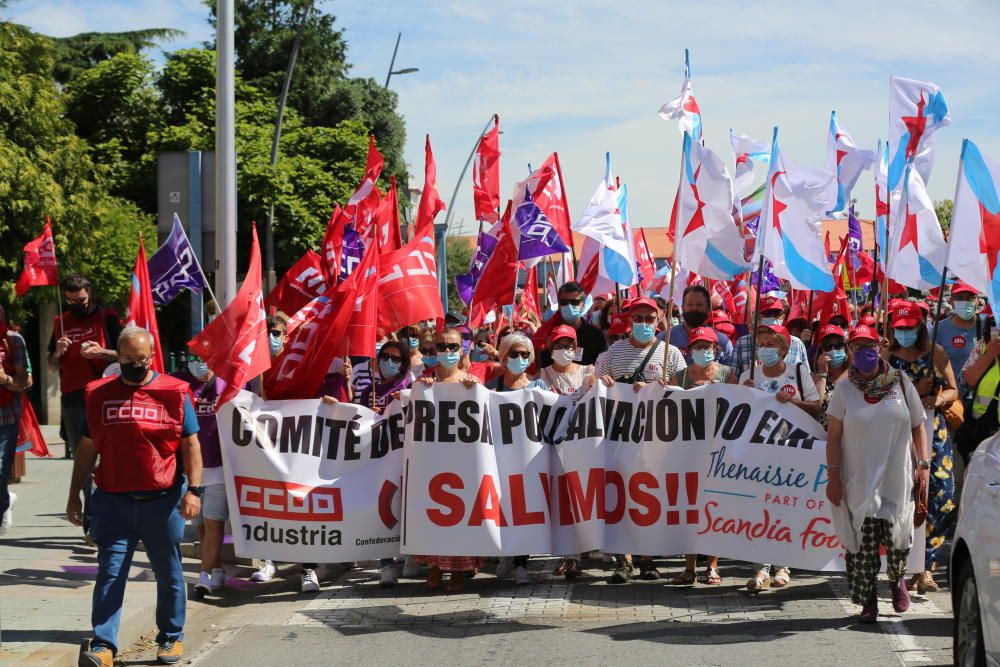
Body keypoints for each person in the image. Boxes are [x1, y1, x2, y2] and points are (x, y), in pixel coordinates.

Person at [68, 327, 203, 666]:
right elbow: (86, 448)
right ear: (118, 356)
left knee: (168, 572)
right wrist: (74, 495)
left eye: (140, 359)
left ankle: (171, 637)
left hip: (163, 501)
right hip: (113, 502)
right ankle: (103, 644)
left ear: (151, 356)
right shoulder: (98, 394)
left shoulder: (174, 392)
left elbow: (191, 445)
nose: (134, 365)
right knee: (110, 573)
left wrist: (195, 491)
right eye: (127, 359)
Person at [826, 324, 929, 623]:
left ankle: (897, 581)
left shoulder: (900, 382)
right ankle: (869, 599)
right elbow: (833, 435)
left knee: (899, 539)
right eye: (856, 348)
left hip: (897, 477)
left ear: (879, 347)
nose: (864, 353)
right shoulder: (843, 389)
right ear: (850, 352)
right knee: (863, 546)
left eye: (868, 347)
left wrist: (923, 464)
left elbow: (917, 424)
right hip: (860, 479)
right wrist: (833, 475)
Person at [596, 297, 686, 583]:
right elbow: (593, 384)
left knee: (651, 498)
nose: (644, 324)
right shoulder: (613, 353)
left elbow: (684, 391)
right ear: (629, 320)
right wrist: (602, 383)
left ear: (659, 320)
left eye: (649, 318)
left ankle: (648, 560)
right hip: (620, 437)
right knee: (621, 497)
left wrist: (659, 388)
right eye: (639, 318)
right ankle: (624, 562)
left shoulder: (671, 354)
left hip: (656, 438)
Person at [739, 323, 820, 591]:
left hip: (792, 451)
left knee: (785, 507)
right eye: (760, 343)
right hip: (758, 453)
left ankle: (784, 565)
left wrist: (795, 404)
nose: (764, 349)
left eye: (770, 344)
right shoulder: (747, 375)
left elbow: (817, 407)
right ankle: (761, 566)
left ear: (784, 350)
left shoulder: (799, 372)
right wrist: (745, 394)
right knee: (758, 507)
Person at [885, 301, 959, 594]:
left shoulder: (935, 354)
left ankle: (927, 568)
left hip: (933, 433)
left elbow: (954, 389)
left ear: (920, 328)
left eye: (909, 328)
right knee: (902, 496)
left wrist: (938, 399)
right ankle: (903, 565)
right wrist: (917, 392)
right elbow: (879, 392)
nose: (904, 333)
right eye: (899, 329)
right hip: (898, 433)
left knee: (939, 496)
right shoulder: (886, 357)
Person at [669, 326, 734, 586]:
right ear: (689, 350)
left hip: (719, 453)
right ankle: (689, 567)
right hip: (688, 453)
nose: (703, 351)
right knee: (691, 510)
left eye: (707, 346)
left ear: (716, 349)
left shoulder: (729, 374)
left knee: (714, 509)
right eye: (697, 346)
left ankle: (713, 567)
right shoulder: (679, 377)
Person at [416, 328, 481, 592]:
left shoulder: (472, 381)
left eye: (453, 347)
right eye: (442, 347)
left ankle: (459, 570)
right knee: (435, 513)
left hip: (463, 461)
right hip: (433, 460)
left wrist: (472, 391)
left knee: (461, 514)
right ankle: (435, 566)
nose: (447, 352)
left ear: (462, 349)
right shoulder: (423, 382)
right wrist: (421, 391)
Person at [352, 340, 417, 587]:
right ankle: (386, 564)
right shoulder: (370, 390)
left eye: (396, 358)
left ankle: (412, 555)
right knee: (382, 509)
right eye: (385, 357)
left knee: (407, 508)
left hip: (405, 457)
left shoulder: (410, 386)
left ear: (403, 363)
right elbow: (357, 419)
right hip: (379, 460)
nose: (390, 362)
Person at [487, 332, 548, 586]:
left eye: (525, 354)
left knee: (525, 512)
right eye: (514, 354)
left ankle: (522, 563)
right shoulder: (491, 387)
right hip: (499, 458)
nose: (520, 358)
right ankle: (506, 554)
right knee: (501, 508)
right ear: (503, 356)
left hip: (529, 460)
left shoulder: (539, 387)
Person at [170, 355, 228, 597]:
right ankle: (216, 570)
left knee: (214, 522)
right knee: (202, 525)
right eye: (196, 358)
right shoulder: (178, 382)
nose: (202, 363)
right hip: (193, 470)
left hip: (220, 467)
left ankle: (203, 576)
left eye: (208, 357)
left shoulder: (229, 383)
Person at [47, 275, 122, 460]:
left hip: (105, 393)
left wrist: (102, 352)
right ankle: (88, 489)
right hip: (73, 397)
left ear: (90, 293)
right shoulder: (61, 322)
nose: (76, 305)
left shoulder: (107, 317)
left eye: (81, 300)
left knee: (108, 452)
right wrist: (57, 352)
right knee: (81, 455)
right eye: (70, 300)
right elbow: (52, 366)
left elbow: (126, 356)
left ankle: (105, 488)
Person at [0, 304, 28, 536]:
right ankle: (5, 499)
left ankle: (3, 505)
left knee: (0, 469)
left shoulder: (14, 341)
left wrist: (3, 378)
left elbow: (23, 383)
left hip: (5, 416)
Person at [532, 282, 607, 368]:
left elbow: (602, 368)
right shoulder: (548, 333)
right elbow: (541, 367)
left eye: (574, 302)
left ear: (582, 306)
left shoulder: (596, 336)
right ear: (559, 306)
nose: (569, 306)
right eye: (564, 302)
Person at [733, 296, 811, 378]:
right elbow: (733, 377)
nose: (773, 317)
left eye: (777, 314)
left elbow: (805, 378)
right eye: (768, 314)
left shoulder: (796, 343)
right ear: (758, 317)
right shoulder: (743, 342)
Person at [666, 285, 734, 366]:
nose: (694, 308)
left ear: (708, 308)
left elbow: (730, 374)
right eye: (690, 304)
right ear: (682, 308)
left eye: (699, 304)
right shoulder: (666, 338)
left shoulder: (722, 341)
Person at [929, 282, 982, 384]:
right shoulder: (938, 329)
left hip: (980, 394)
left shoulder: (989, 326)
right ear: (951, 301)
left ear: (977, 301)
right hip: (950, 394)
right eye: (960, 297)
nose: (965, 302)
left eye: (970, 298)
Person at [538, 325, 595, 401]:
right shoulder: (542, 375)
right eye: (559, 346)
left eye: (568, 346)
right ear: (551, 349)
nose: (564, 350)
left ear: (575, 349)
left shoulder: (587, 373)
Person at [812, 325, 850, 430]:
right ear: (821, 351)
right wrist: (822, 374)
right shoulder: (813, 377)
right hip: (822, 440)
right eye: (828, 346)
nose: (833, 350)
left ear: (845, 348)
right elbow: (816, 408)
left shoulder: (855, 375)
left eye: (838, 345)